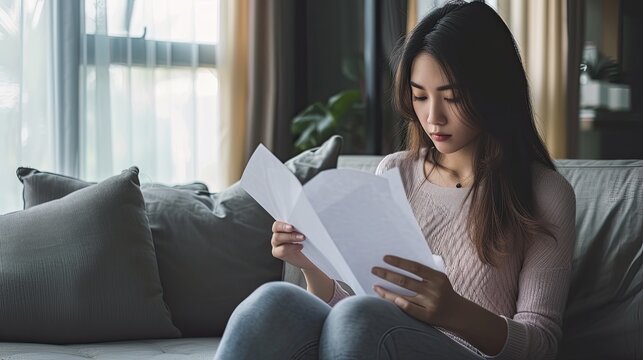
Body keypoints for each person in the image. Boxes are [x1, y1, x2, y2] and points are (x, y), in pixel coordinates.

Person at [214, 1, 575, 359]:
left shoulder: (544, 192)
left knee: (360, 318)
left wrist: (453, 310)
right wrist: (313, 265)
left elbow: (541, 345)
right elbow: (359, 308)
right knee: (274, 301)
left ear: (493, 92)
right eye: (419, 96)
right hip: (377, 336)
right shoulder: (395, 172)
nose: (433, 117)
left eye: (453, 98)